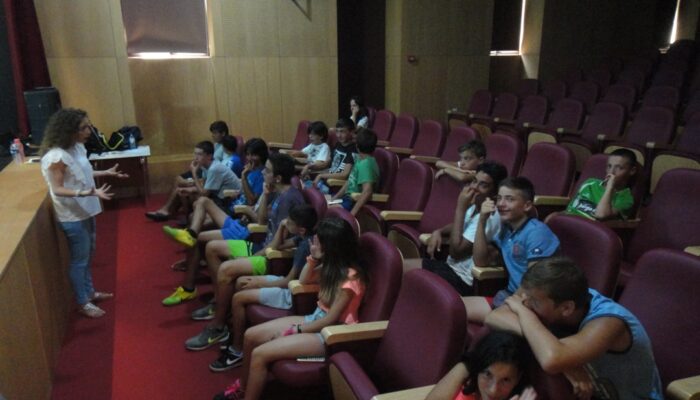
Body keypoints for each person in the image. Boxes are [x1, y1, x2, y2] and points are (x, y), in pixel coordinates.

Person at [213, 217, 368, 400]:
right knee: (250, 336)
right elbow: (304, 280)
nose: (313, 243)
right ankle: (243, 388)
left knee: (260, 354)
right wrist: (313, 258)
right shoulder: (332, 266)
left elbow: (330, 320)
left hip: (330, 333)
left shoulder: (350, 278)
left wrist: (295, 330)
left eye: (318, 242)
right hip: (316, 318)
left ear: (330, 247)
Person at [485, 258, 663, 400]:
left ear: (566, 309)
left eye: (534, 303)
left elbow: (551, 359)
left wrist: (523, 313)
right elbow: (495, 317)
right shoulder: (548, 293)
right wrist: (568, 362)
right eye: (525, 300)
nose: (526, 304)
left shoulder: (608, 322)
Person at [161, 153, 303, 306]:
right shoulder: (277, 192)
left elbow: (280, 241)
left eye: (267, 170)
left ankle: (219, 306)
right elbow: (262, 221)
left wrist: (254, 255)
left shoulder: (288, 199)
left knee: (222, 264)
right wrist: (266, 194)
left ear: (278, 178)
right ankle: (216, 297)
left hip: (270, 254)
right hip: (262, 244)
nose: (263, 172)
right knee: (210, 246)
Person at [184, 204, 317, 353]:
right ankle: (230, 328)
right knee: (241, 282)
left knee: (240, 290)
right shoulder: (302, 238)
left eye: (289, 222)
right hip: (288, 281)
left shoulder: (305, 247)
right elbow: (278, 246)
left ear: (301, 230)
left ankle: (234, 344)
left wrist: (258, 284)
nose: (286, 222)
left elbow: (288, 281)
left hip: (292, 289)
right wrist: (281, 227)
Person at [40, 108, 128, 318]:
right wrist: (86, 192)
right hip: (71, 216)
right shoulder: (56, 156)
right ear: (68, 130)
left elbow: (81, 172)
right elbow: (57, 189)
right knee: (79, 260)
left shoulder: (77, 147)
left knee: (89, 255)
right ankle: (82, 302)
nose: (89, 131)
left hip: (86, 208)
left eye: (89, 126)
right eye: (83, 128)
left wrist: (105, 172)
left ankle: (90, 292)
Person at [463, 177, 560, 324]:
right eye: (499, 198)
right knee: (452, 307)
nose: (501, 204)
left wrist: (506, 308)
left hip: (530, 304)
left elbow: (534, 282)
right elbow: (480, 261)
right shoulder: (507, 229)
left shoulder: (537, 232)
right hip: (509, 296)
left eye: (509, 199)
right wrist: (482, 220)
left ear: (527, 205)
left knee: (489, 324)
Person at [407, 161, 507, 296]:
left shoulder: (490, 216)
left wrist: (460, 208)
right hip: (449, 267)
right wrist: (438, 231)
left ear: (495, 193)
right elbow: (458, 226)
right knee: (397, 266)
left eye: (483, 185)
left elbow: (456, 251)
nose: (474, 188)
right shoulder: (476, 205)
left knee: (408, 279)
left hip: (463, 280)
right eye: (474, 181)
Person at [145, 121, 232, 221]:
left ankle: (169, 211)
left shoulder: (226, 148)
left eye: (215, 133)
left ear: (223, 133)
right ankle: (169, 210)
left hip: (211, 176)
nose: (212, 135)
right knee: (179, 180)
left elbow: (222, 167)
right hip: (204, 169)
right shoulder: (216, 145)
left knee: (182, 183)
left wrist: (194, 176)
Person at [427, 331, 537, 400]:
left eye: (506, 380)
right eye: (488, 374)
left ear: (518, 378)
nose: (493, 390)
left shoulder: (526, 396)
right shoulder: (466, 372)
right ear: (477, 368)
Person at [547, 149, 637, 223]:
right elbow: (571, 209)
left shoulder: (625, 199)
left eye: (619, 168)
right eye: (609, 166)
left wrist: (609, 187)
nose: (611, 172)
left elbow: (601, 215)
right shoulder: (590, 183)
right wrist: (557, 214)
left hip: (586, 233)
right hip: (566, 224)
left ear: (632, 171)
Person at [331, 128, 379, 215]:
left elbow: (367, 191)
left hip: (352, 201)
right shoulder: (360, 159)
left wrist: (352, 215)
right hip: (346, 197)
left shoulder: (367, 164)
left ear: (357, 146)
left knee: (327, 209)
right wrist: (336, 197)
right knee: (323, 201)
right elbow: (349, 181)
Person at [306, 117, 358, 194]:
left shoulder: (353, 150)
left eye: (342, 132)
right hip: (325, 181)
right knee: (302, 185)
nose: (339, 135)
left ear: (351, 132)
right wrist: (309, 167)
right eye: (337, 131)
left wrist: (321, 176)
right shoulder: (338, 144)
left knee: (308, 191)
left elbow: (345, 175)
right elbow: (327, 163)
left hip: (335, 185)